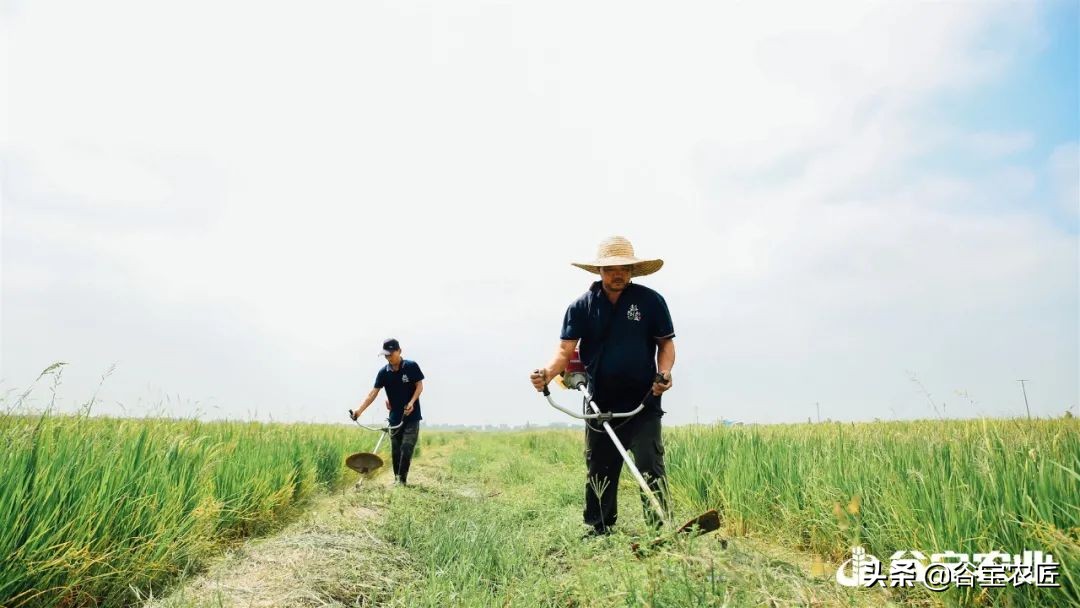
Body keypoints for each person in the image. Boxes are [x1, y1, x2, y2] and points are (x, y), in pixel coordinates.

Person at [530, 236, 675, 536]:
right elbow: (564, 352)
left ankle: (661, 528)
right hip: (600, 402)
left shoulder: (650, 302)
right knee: (600, 468)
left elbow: (666, 345)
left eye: (624, 267)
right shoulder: (581, 307)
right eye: (610, 269)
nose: (617, 274)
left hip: (643, 402)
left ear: (633, 270)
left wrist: (664, 374)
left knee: (650, 464)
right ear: (599, 271)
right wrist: (546, 373)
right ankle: (599, 528)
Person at [350, 338, 424, 486]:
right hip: (395, 417)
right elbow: (373, 393)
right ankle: (397, 479)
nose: (388, 357)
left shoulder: (411, 366)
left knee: (406, 447)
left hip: (411, 416)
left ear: (399, 351)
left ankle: (401, 481)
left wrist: (411, 402)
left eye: (390, 354)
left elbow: (419, 386)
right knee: (396, 450)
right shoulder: (384, 373)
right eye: (386, 355)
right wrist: (359, 411)